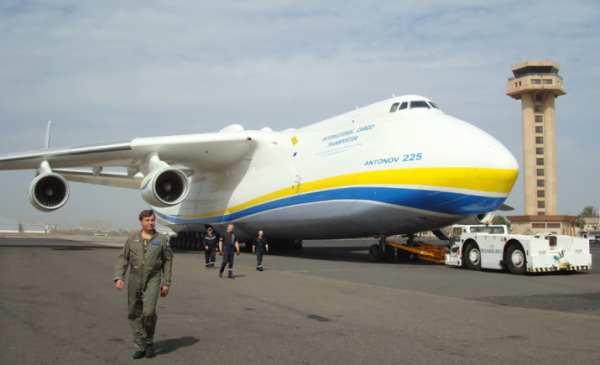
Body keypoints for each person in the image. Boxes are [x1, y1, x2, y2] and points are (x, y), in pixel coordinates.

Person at [114, 209, 173, 359]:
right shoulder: (132, 237)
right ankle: (140, 345)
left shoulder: (161, 239)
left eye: (152, 220)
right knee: (134, 312)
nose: (150, 223)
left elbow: (167, 261)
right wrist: (119, 277)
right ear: (141, 222)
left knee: (148, 312)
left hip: (153, 277)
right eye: (147, 220)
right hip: (135, 276)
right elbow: (123, 258)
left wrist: (166, 282)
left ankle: (149, 341)